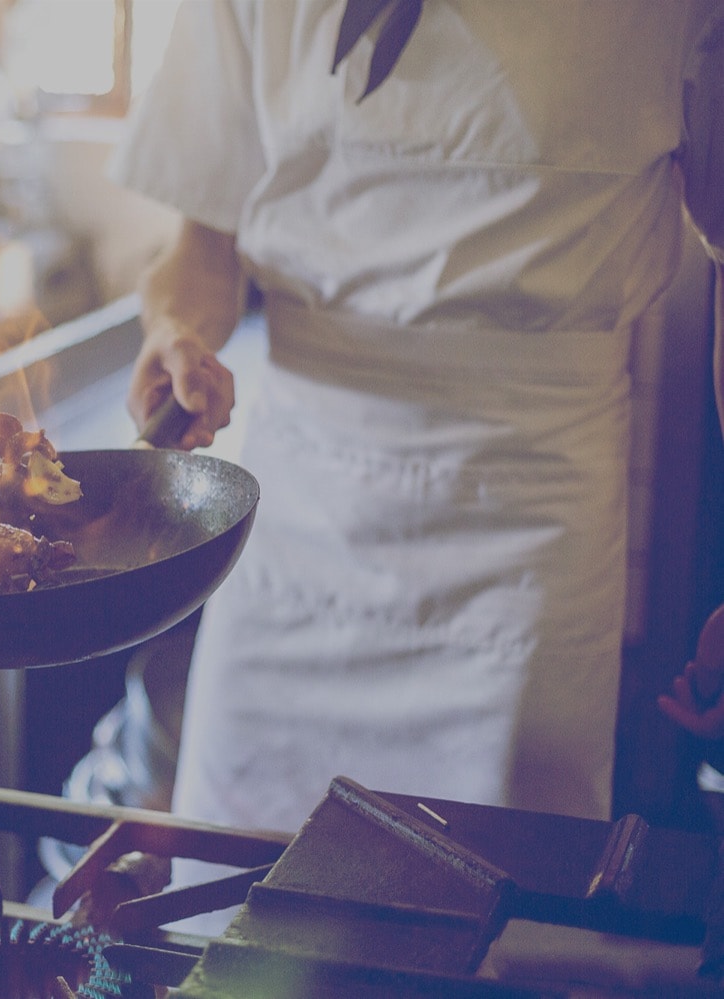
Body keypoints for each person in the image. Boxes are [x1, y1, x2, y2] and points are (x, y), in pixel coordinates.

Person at [110, 0, 724, 847]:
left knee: (493, 907)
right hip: (295, 510)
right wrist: (175, 333)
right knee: (239, 890)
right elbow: (202, 247)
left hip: (532, 519)